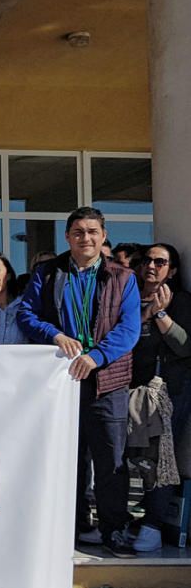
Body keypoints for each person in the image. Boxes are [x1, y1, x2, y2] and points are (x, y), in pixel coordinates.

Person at [18, 207, 141, 557]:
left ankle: (113, 530)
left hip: (106, 380)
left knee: (110, 460)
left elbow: (129, 329)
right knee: (65, 459)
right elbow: (27, 315)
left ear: (102, 236)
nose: (85, 238)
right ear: (67, 237)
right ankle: (70, 528)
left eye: (91, 232)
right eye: (77, 232)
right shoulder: (47, 272)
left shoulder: (123, 277)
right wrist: (54, 334)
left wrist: (96, 356)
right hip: (61, 380)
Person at [125, 243, 191, 551]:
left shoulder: (182, 302)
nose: (152, 266)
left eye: (160, 262)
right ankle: (128, 520)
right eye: (148, 261)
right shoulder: (130, 300)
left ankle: (152, 524)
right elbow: (124, 341)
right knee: (130, 459)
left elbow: (184, 346)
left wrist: (161, 314)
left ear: (173, 270)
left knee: (161, 460)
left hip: (168, 396)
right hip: (130, 394)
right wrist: (146, 313)